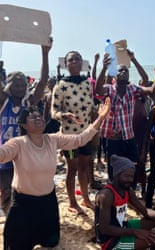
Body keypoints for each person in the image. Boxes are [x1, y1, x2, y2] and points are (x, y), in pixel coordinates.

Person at [0, 97, 111, 250]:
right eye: (32, 117)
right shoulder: (18, 143)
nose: (38, 118)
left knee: (50, 242)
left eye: (39, 116)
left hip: (47, 203)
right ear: (23, 124)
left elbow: (81, 139)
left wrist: (101, 118)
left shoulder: (53, 140)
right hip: (23, 205)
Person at [0, 34, 51, 214]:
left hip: (25, 153)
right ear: (8, 86)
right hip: (6, 152)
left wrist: (45, 53)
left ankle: (25, 216)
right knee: (7, 188)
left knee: (26, 188)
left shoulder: (28, 103)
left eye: (23, 84)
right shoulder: (3, 101)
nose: (19, 88)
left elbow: (43, 82)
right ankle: (9, 218)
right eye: (16, 85)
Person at [95, 50, 155, 184]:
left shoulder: (132, 89)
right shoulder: (109, 89)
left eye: (126, 71)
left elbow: (151, 89)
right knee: (114, 171)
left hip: (129, 137)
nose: (124, 73)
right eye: (120, 71)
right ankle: (115, 194)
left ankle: (130, 192)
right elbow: (97, 90)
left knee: (134, 166)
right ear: (115, 75)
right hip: (113, 140)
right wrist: (103, 68)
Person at [94, 154, 155, 250]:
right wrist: (134, 232)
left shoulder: (127, 190)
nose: (130, 179)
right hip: (111, 242)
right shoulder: (106, 195)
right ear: (117, 174)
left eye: (131, 176)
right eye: (126, 176)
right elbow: (104, 228)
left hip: (122, 227)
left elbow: (145, 211)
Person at [51, 50, 97, 213]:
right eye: (71, 60)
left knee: (84, 167)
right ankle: (72, 202)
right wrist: (64, 115)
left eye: (77, 59)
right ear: (66, 64)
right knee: (72, 168)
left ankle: (85, 199)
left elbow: (92, 107)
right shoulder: (60, 86)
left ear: (81, 62)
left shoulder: (87, 83)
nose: (75, 62)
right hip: (69, 136)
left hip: (85, 134)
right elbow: (53, 112)